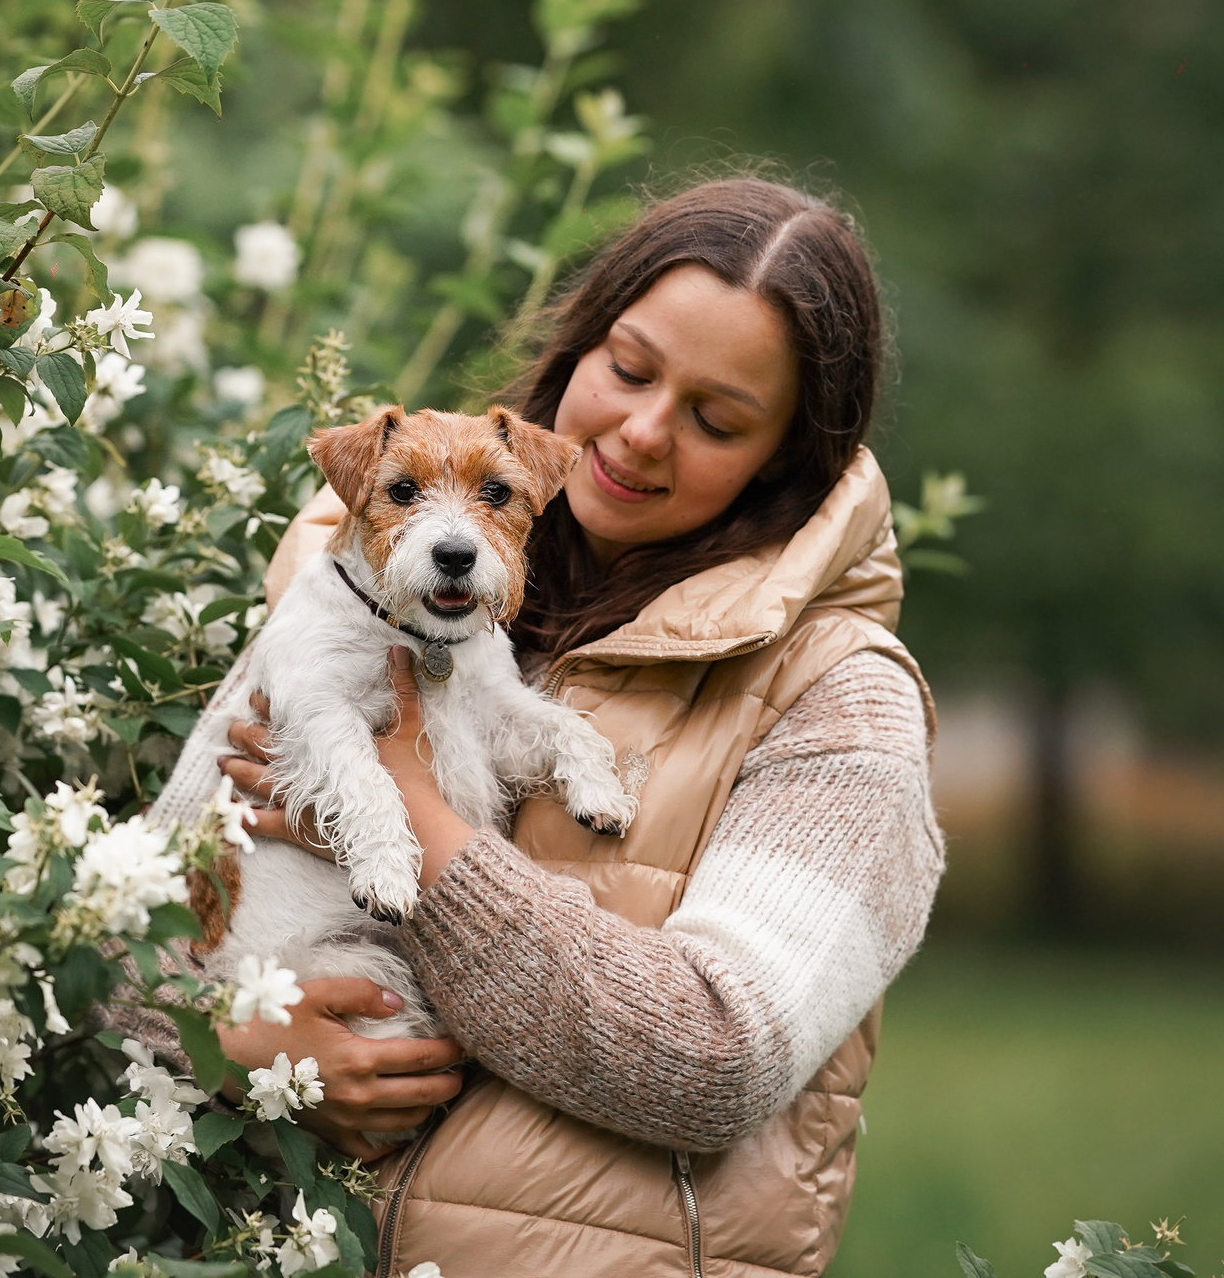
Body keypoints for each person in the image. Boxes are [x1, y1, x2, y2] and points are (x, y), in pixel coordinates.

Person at [152, 177, 943, 1278]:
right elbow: (128, 945)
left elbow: (718, 1058)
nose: (641, 430)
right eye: (626, 367)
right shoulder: (348, 591)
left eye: (717, 420)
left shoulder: (839, 699)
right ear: (577, 347)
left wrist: (422, 834)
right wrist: (242, 1049)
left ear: (786, 460)